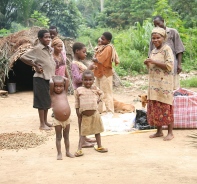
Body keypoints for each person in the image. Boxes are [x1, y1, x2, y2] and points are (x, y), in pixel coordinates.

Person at [20, 30, 55, 130]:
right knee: (41, 101)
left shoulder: (49, 49)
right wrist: (35, 65)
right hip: (40, 78)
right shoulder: (37, 49)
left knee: (47, 101)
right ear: (40, 39)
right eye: (45, 37)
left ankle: (46, 121)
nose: (48, 39)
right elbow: (23, 57)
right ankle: (42, 124)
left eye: (49, 37)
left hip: (49, 78)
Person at [144, 27, 174, 141]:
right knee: (156, 108)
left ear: (163, 38)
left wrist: (153, 61)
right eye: (153, 38)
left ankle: (170, 133)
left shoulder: (167, 49)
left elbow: (169, 66)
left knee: (166, 107)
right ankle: (159, 131)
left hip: (164, 85)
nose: (155, 40)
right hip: (154, 85)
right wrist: (148, 63)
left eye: (158, 38)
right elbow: (153, 66)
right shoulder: (153, 51)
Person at [74, 70, 108, 157]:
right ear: (82, 80)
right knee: (83, 133)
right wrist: (77, 112)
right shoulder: (79, 90)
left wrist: (99, 99)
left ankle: (99, 146)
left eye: (90, 80)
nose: (88, 82)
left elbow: (102, 94)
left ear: (93, 80)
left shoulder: (95, 88)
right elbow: (77, 102)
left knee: (97, 131)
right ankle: (79, 149)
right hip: (85, 116)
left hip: (95, 114)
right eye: (85, 80)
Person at [71, 42, 96, 148]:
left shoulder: (79, 63)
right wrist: (88, 69)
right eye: (83, 52)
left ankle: (84, 137)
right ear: (77, 51)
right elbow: (77, 79)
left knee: (85, 116)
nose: (85, 54)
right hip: (80, 93)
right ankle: (82, 141)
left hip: (84, 93)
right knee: (81, 116)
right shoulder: (74, 64)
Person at [149, 15, 185, 90]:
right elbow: (151, 52)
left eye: (159, 23)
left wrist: (179, 64)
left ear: (163, 21)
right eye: (155, 25)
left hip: (171, 65)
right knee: (161, 88)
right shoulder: (154, 35)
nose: (157, 26)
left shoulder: (172, 32)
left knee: (173, 88)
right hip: (158, 67)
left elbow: (179, 49)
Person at [92, 32, 119, 114]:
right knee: (97, 92)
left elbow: (99, 59)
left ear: (108, 41)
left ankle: (110, 111)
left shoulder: (108, 48)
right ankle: (98, 110)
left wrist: (95, 59)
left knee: (107, 93)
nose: (101, 40)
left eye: (103, 39)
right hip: (98, 72)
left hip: (105, 74)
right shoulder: (101, 47)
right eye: (101, 38)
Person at [50, 76, 74, 159]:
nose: (58, 88)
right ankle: (59, 153)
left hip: (67, 120)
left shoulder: (64, 93)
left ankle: (67, 152)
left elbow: (67, 80)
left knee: (66, 136)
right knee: (58, 137)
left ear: (63, 87)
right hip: (57, 120)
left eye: (60, 86)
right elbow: (50, 83)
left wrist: (61, 77)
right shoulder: (52, 94)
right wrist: (52, 78)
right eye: (56, 86)